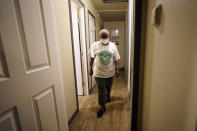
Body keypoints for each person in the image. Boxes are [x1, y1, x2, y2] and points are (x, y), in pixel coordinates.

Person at [89, 29, 120, 117]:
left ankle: (108, 97)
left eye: (106, 37)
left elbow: (116, 59)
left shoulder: (113, 46)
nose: (104, 39)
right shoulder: (94, 45)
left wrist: (117, 70)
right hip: (98, 73)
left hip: (110, 73)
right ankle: (102, 106)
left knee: (108, 88)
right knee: (101, 90)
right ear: (100, 37)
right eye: (102, 37)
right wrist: (90, 69)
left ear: (108, 37)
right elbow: (91, 58)